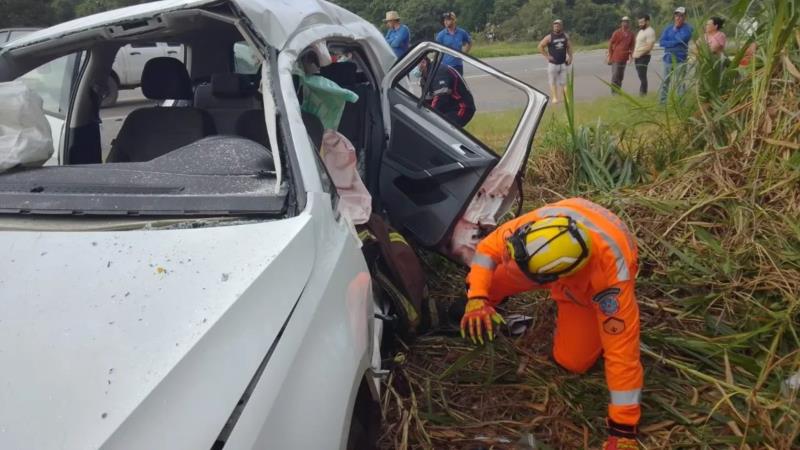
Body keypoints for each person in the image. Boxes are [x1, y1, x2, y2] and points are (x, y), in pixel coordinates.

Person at [460, 198, 643, 449]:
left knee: (573, 362)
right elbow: (486, 251)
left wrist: (623, 430)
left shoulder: (612, 285)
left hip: (582, 292)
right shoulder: (539, 226)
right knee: (485, 281)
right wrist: (477, 298)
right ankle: (483, 305)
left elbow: (623, 354)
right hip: (557, 266)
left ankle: (567, 304)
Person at [414, 57, 475, 127]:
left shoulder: (438, 71)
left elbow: (441, 98)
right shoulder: (424, 77)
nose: (413, 69)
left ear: (423, 62)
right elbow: (426, 100)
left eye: (415, 65)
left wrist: (429, 116)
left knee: (443, 128)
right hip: (449, 106)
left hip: (461, 107)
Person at [659, 6, 694, 103]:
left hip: (680, 60)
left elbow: (681, 39)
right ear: (674, 16)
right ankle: (662, 102)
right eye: (677, 15)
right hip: (668, 59)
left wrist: (670, 42)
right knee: (665, 82)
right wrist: (673, 42)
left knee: (680, 83)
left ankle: (681, 103)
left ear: (685, 17)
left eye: (681, 16)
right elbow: (661, 42)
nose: (679, 18)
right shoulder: (668, 28)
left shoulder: (688, 28)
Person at [538, 19, 573, 104]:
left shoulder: (565, 36)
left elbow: (569, 47)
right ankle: (555, 98)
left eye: (558, 25)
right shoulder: (549, 37)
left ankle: (567, 98)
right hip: (553, 64)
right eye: (555, 25)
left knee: (564, 82)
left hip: (563, 63)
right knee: (552, 81)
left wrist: (570, 57)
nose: (556, 26)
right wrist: (547, 56)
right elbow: (540, 46)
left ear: (561, 26)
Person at [607, 16, 636, 94]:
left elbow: (632, 46)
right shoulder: (617, 32)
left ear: (629, 23)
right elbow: (610, 44)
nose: (625, 23)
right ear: (621, 23)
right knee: (615, 75)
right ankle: (613, 92)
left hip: (624, 58)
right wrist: (609, 56)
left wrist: (631, 57)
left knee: (620, 76)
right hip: (615, 57)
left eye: (627, 22)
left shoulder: (631, 34)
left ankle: (618, 91)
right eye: (624, 21)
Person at [632, 14, 656, 96]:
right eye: (639, 22)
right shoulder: (641, 31)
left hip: (644, 57)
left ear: (647, 21)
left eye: (642, 22)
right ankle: (642, 93)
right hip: (638, 57)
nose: (640, 24)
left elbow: (649, 47)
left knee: (642, 76)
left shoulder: (650, 31)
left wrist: (640, 55)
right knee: (640, 75)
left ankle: (643, 94)